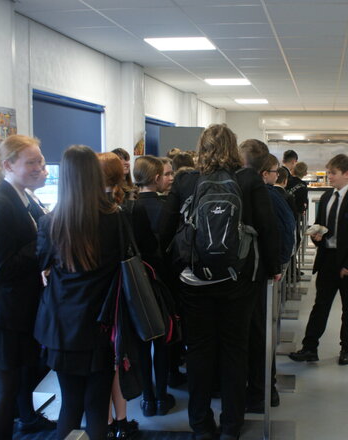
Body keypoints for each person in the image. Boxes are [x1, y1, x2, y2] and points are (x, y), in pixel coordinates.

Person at [160, 124, 280, 440]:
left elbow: (164, 231)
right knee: (235, 351)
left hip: (194, 282)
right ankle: (231, 424)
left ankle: (200, 425)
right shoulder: (249, 180)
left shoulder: (186, 180)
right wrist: (273, 268)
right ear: (233, 148)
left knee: (198, 351)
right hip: (239, 281)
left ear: (202, 148)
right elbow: (268, 230)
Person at [34, 145, 123, 440]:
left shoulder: (51, 221)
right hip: (102, 323)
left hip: (62, 326)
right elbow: (128, 262)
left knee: (69, 404)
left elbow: (42, 262)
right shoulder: (115, 218)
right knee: (97, 407)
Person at [0, 135, 55, 439]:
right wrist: (42, 245)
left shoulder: (23, 197)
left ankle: (29, 419)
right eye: (31, 162)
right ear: (8, 165)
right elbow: (1, 267)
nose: (40, 168)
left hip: (20, 309)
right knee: (6, 386)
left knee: (22, 376)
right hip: (2, 315)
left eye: (41, 161)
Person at [289, 154, 348, 366]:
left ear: (346, 174)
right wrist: (318, 237)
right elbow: (321, 225)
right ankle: (310, 347)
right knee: (321, 305)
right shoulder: (327, 198)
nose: (329, 177)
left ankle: (347, 348)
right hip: (327, 258)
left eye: (333, 173)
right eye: (328, 173)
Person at [246, 153, 296, 413]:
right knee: (261, 335)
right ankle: (265, 389)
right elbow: (287, 233)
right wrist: (277, 266)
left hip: (245, 278)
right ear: (264, 173)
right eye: (276, 171)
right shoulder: (270, 196)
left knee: (253, 335)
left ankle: (260, 389)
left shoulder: (244, 191)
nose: (278, 175)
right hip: (262, 275)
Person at [97, 152, 142, 439]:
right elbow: (131, 254)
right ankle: (120, 420)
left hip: (99, 302)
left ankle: (112, 421)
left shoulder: (77, 210)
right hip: (116, 300)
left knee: (105, 364)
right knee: (116, 358)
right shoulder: (119, 211)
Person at [132, 156, 176, 418]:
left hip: (136, 282)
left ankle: (146, 398)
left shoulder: (126, 208)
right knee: (162, 340)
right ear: (157, 178)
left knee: (140, 342)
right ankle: (161, 396)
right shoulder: (166, 207)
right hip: (163, 281)